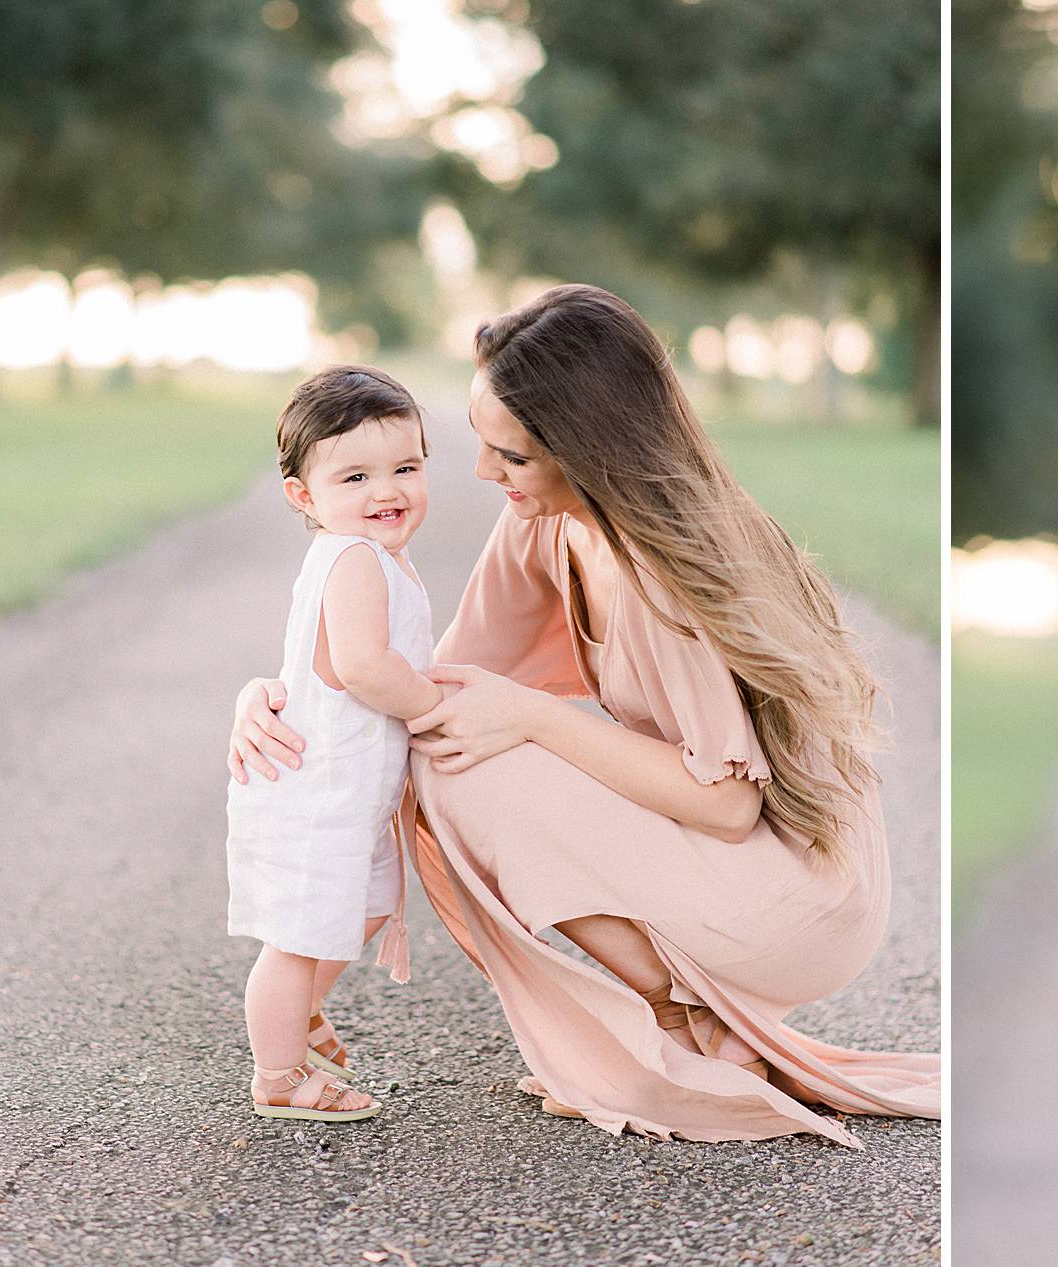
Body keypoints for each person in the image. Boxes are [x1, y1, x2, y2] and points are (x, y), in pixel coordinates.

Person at [228, 285, 940, 1145]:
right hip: (724, 853)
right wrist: (280, 697)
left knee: (480, 757)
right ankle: (687, 1023)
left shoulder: (669, 572)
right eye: (481, 446)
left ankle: (672, 1025)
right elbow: (435, 691)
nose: (486, 475)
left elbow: (727, 802)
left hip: (803, 889)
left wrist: (535, 715)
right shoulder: (548, 521)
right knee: (455, 748)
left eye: (514, 457)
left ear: (589, 450)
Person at [228, 366, 435, 1123]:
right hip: (318, 791)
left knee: (368, 909)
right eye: (356, 475)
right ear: (304, 495)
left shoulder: (375, 555)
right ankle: (278, 1072)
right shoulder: (352, 559)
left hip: (352, 794)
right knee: (297, 936)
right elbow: (363, 666)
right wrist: (436, 708)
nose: (388, 489)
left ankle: (302, 1010)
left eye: (406, 467)